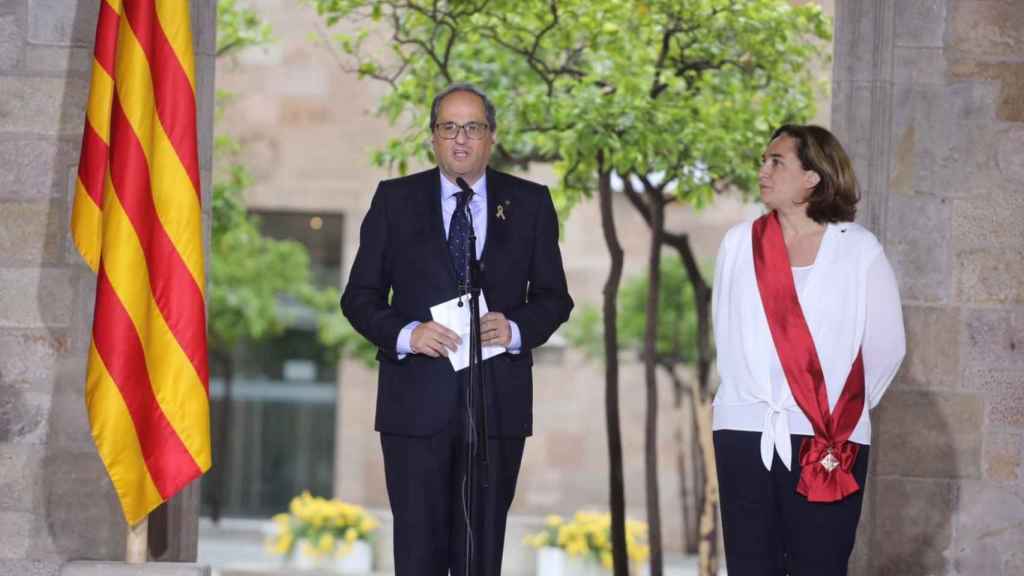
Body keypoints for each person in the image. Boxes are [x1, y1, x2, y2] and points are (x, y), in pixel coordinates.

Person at [340, 83, 573, 576]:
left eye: (472, 127)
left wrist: (513, 328)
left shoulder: (529, 203)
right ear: (433, 137)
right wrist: (407, 334)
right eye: (449, 128)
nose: (460, 139)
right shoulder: (394, 200)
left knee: (480, 556)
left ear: (492, 137)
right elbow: (358, 297)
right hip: (415, 410)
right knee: (418, 556)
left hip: (495, 411)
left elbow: (555, 298)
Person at [711, 124, 906, 576]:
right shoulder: (740, 243)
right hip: (745, 429)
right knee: (750, 564)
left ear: (813, 177)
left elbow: (886, 345)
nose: (763, 170)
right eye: (763, 160)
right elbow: (724, 327)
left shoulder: (858, 250)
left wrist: (837, 412)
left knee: (820, 563)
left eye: (776, 161)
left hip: (829, 436)